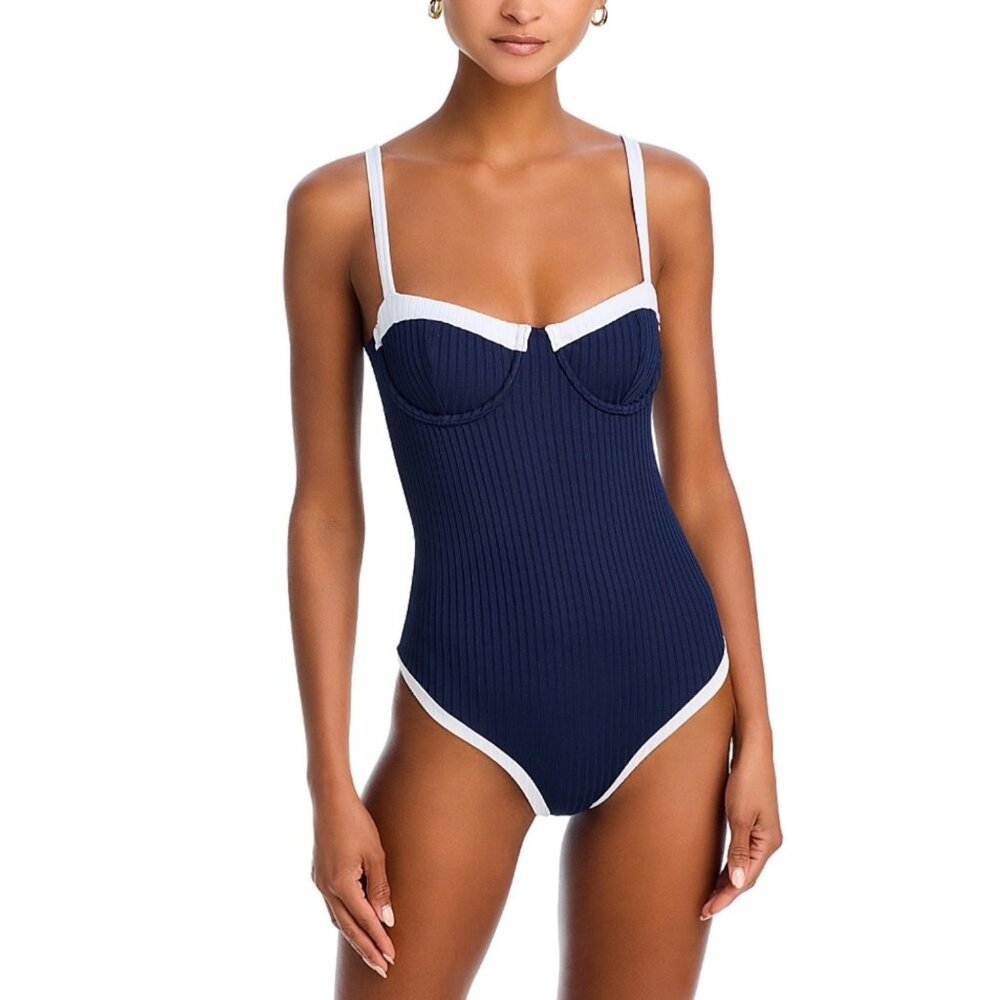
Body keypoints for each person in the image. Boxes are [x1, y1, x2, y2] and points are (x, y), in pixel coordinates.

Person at [283, 2, 782, 995]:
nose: (521, 7)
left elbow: (701, 479)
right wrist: (327, 781)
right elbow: (328, 515)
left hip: (674, 700)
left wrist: (759, 731)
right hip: (460, 710)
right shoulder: (345, 208)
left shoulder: (663, 193)